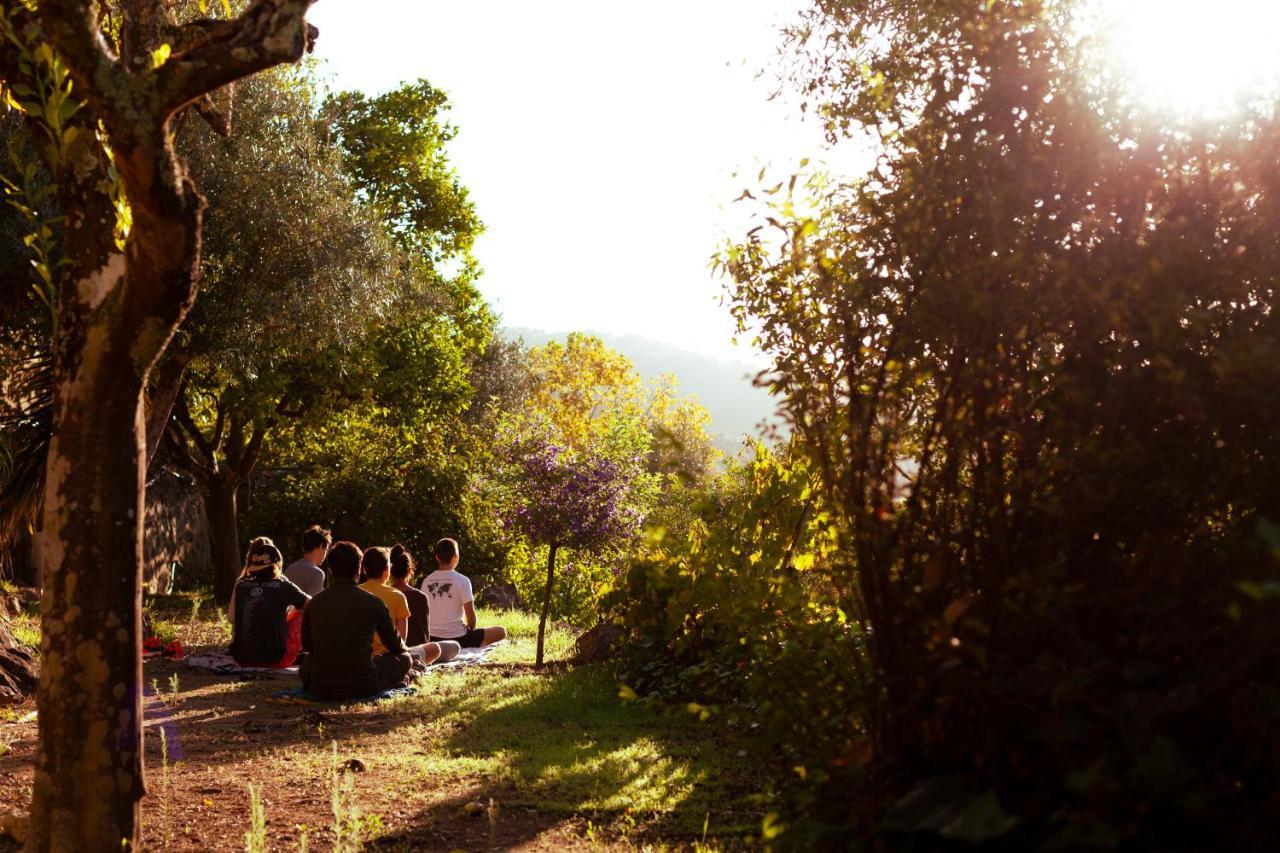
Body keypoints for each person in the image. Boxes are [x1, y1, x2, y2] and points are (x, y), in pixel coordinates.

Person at [299, 541, 413, 699]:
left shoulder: (314, 603)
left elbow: (307, 645)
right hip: (364, 684)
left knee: (308, 660)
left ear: (330, 569)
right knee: (405, 657)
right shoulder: (373, 602)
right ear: (359, 569)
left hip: (321, 685)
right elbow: (395, 646)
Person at [359, 546, 458, 665]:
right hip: (390, 659)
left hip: (361, 659)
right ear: (387, 570)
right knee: (446, 647)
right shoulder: (397, 596)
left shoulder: (355, 593)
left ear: (364, 569)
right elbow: (401, 641)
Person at [229, 537, 310, 668]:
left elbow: (232, 618)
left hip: (241, 658)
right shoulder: (282, 585)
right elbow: (312, 603)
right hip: (275, 659)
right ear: (277, 564)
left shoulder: (241, 586)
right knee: (302, 610)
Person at [422, 538, 507, 648]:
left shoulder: (426, 581)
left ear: (437, 557)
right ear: (455, 558)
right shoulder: (462, 580)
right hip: (459, 639)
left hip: (432, 639)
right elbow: (471, 619)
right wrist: (472, 632)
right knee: (501, 631)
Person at [389, 544, 430, 646]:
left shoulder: (384, 595)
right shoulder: (421, 597)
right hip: (418, 650)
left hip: (392, 652)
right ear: (409, 570)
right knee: (452, 646)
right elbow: (425, 635)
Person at [285, 524, 331, 596]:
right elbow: (315, 605)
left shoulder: (289, 570)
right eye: (326, 549)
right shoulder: (317, 574)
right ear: (321, 546)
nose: (326, 554)